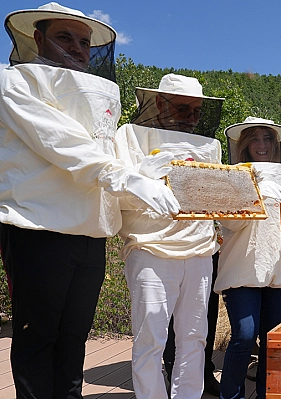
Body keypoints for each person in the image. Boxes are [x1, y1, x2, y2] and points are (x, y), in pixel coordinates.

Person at [0, 4, 178, 398]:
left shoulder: (94, 93)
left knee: (74, 337)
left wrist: (141, 169)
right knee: (37, 337)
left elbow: (101, 148)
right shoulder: (12, 83)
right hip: (37, 229)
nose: (78, 49)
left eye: (84, 42)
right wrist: (127, 176)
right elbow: (62, 143)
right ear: (37, 38)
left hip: (90, 234)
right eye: (65, 37)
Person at [114, 73, 224, 399]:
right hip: (150, 248)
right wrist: (142, 175)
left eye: (196, 111)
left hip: (201, 249)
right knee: (150, 337)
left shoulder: (210, 145)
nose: (190, 117)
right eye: (182, 108)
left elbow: (216, 196)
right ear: (159, 103)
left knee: (195, 336)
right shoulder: (131, 135)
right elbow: (117, 189)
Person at [217, 117, 281, 399]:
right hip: (242, 266)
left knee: (272, 340)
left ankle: (265, 394)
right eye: (255, 139)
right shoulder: (232, 174)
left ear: (276, 144)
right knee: (244, 335)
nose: (261, 145)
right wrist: (255, 196)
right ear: (244, 144)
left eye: (267, 139)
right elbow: (228, 222)